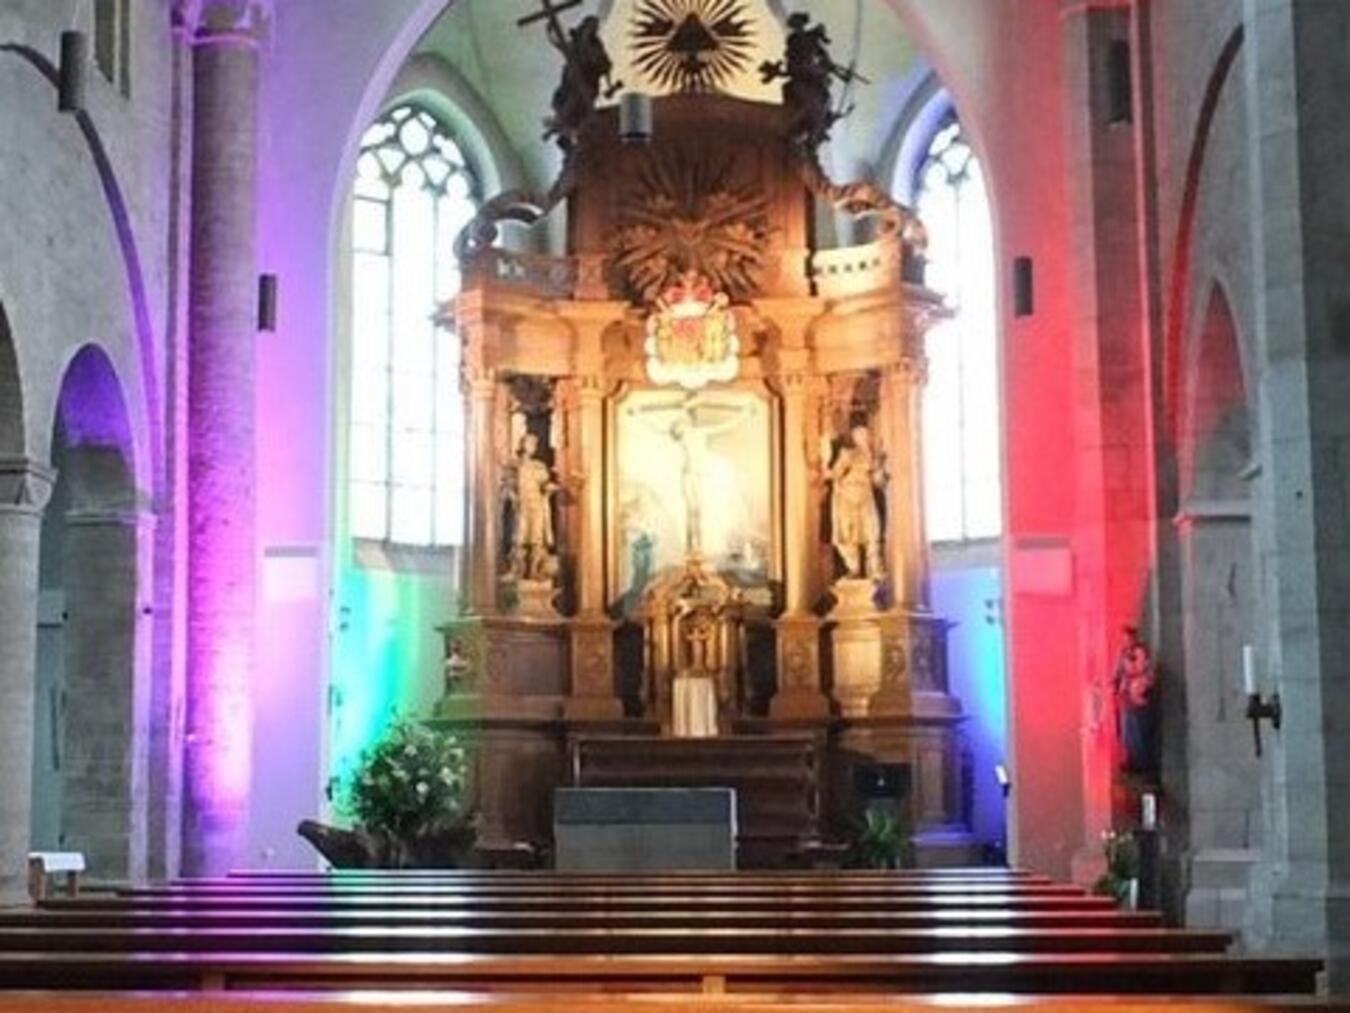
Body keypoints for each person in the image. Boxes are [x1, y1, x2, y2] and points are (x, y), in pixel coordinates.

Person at [824, 425, 885, 578]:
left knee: (872, 532)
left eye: (866, 435)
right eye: (860, 435)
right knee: (846, 535)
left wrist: (879, 473)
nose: (864, 439)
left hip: (865, 497)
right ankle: (854, 568)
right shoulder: (848, 454)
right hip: (847, 497)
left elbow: (878, 482)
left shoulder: (875, 457)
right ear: (854, 438)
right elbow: (836, 473)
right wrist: (829, 470)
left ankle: (875, 568)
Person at [505, 432, 557, 580]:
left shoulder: (539, 466)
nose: (532, 446)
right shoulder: (514, 465)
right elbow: (508, 486)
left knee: (536, 539)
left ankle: (534, 571)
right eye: (529, 443)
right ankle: (516, 570)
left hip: (537, 506)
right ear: (522, 445)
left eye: (534, 444)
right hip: (522, 506)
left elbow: (544, 484)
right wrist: (514, 498)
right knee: (519, 538)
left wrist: (549, 488)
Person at [1113, 626, 1159, 776]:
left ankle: (1143, 763)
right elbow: (1118, 671)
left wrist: (1129, 667)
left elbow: (1139, 669)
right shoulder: (1123, 654)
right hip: (1127, 697)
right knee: (1128, 733)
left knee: (1140, 732)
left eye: (1127, 638)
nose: (1125, 642)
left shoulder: (1139, 652)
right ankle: (1132, 759)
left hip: (1139, 695)